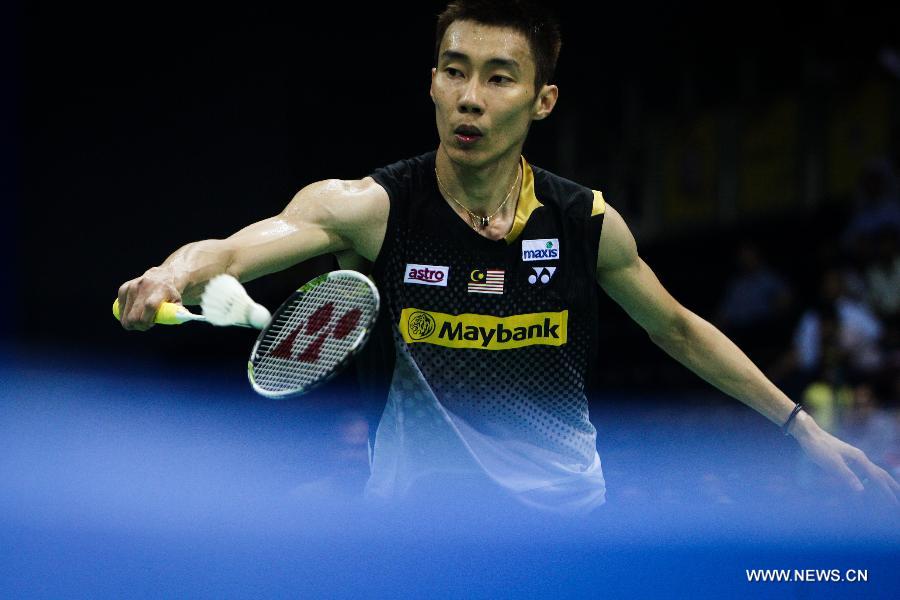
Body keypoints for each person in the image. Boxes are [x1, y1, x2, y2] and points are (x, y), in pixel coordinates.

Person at [116, 0, 899, 512]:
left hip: (564, 523)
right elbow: (236, 247)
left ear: (542, 100)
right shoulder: (373, 209)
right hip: (417, 528)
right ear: (430, 82)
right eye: (454, 71)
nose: (470, 97)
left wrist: (802, 427)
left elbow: (679, 329)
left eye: (499, 78)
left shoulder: (583, 221)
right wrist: (170, 274)